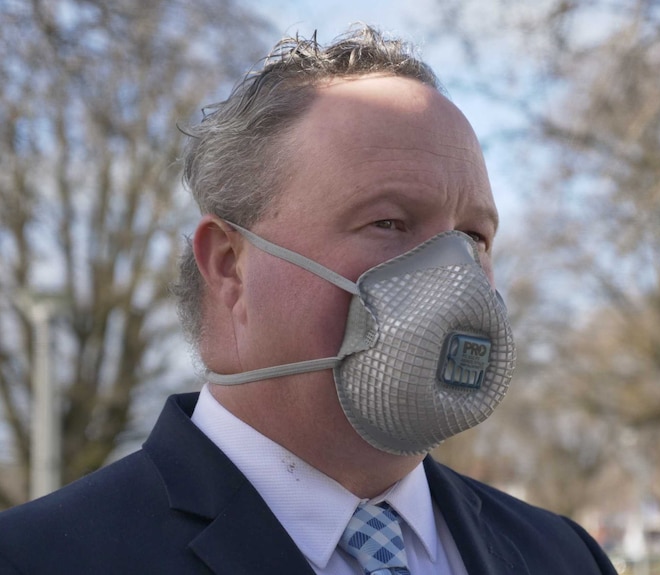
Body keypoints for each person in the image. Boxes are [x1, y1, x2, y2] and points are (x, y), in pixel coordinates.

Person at [0, 25, 617, 575]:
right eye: (390, 223)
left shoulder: (563, 555)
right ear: (228, 267)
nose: (456, 278)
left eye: (474, 238)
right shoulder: (36, 558)